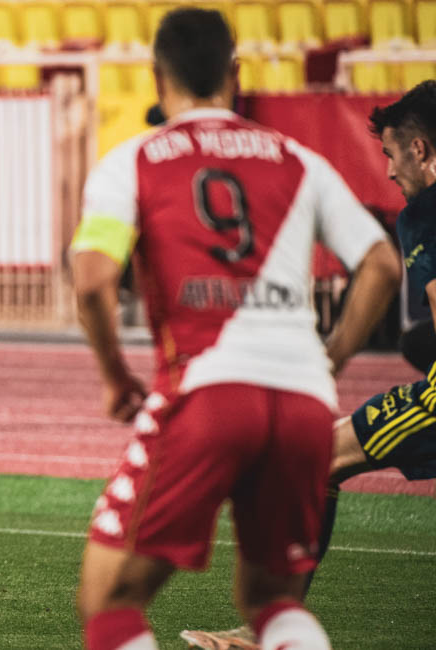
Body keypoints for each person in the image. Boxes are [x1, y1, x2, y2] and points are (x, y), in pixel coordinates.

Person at [69, 9, 401, 650]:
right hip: (306, 403)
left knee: (109, 600)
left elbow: (91, 279)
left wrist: (114, 376)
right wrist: (331, 360)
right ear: (236, 74)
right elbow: (382, 265)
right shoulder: (299, 158)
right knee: (272, 600)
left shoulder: (132, 160)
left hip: (206, 392)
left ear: (156, 77)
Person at [182, 80, 436, 650]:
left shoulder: (425, 213)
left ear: (419, 150)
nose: (388, 172)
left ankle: (266, 631)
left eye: (392, 155)